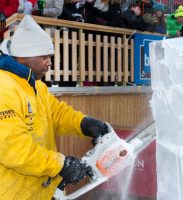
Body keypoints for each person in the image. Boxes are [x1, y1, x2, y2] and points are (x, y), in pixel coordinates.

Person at [0, 15, 109, 199]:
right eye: (44, 57)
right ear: (24, 56)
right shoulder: (4, 88)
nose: (49, 63)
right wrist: (60, 165)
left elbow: (56, 114)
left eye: (50, 57)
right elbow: (13, 148)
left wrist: (83, 124)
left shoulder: (35, 85)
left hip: (43, 191)